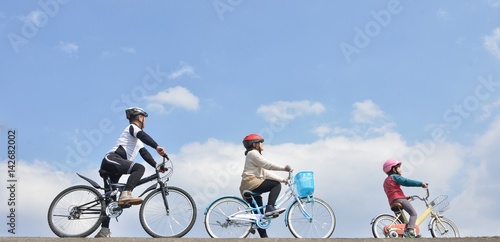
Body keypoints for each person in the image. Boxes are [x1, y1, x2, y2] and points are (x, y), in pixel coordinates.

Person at [95, 107, 167, 238]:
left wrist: (156, 165)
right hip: (111, 160)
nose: (145, 121)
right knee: (139, 168)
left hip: (114, 168)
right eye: (144, 118)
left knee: (110, 201)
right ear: (140, 118)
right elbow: (143, 136)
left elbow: (145, 154)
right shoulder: (132, 129)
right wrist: (157, 146)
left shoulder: (136, 140)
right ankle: (126, 193)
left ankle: (103, 231)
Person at [239, 133, 291, 238]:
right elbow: (267, 165)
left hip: (247, 186)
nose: (262, 145)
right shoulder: (253, 153)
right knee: (275, 185)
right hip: (251, 183)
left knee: (259, 217)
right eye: (260, 143)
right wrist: (283, 168)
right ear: (254, 144)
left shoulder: (253, 156)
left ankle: (264, 238)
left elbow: (265, 173)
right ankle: (270, 208)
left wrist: (282, 179)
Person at [383, 158, 428, 238]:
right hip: (399, 199)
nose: (401, 169)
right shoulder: (395, 177)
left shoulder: (385, 181)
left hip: (392, 202)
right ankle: (410, 231)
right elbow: (406, 181)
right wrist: (420, 184)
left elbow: (392, 191)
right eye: (399, 167)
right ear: (394, 169)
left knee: (403, 224)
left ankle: (405, 235)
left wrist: (404, 197)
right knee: (413, 214)